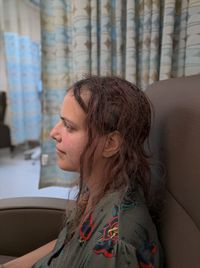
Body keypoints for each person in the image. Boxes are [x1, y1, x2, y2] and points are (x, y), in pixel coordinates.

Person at [3, 75, 163, 268]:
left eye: (69, 126)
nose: (54, 133)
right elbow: (66, 245)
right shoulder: (98, 187)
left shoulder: (116, 249)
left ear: (110, 144)